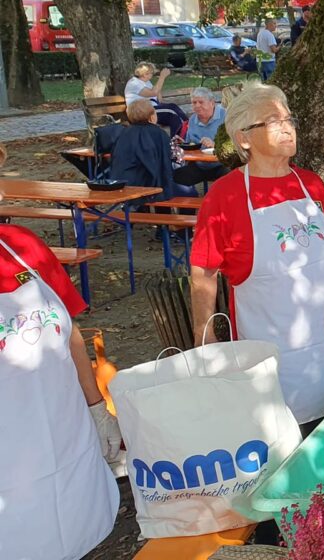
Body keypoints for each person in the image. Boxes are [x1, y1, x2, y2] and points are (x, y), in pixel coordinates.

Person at [190, 82, 324, 429]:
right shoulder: (225, 197)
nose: (286, 126)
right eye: (272, 120)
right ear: (244, 138)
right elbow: (204, 269)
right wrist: (202, 334)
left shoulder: (310, 184)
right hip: (277, 359)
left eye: (288, 118)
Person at [0, 146, 120, 560]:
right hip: (10, 468)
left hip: (67, 439)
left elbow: (71, 335)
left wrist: (96, 408)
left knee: (79, 534)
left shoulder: (22, 245)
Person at [110, 101, 199, 202]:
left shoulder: (122, 134)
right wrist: (175, 146)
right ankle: (183, 217)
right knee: (190, 193)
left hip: (123, 184)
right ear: (152, 117)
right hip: (151, 187)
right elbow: (176, 161)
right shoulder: (159, 134)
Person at [176, 87, 229, 186]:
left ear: (212, 103)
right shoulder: (192, 120)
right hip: (200, 165)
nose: (197, 105)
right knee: (176, 177)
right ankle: (187, 200)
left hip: (223, 165)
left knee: (230, 178)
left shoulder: (226, 116)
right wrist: (182, 143)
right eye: (194, 102)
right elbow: (190, 144)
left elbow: (236, 144)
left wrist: (215, 145)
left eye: (201, 102)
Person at [125, 61, 188, 138]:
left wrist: (157, 93)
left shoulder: (146, 82)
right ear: (145, 74)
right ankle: (187, 128)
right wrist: (162, 77)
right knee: (172, 109)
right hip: (142, 112)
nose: (152, 75)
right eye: (151, 73)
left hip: (151, 108)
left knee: (174, 117)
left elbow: (157, 93)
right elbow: (154, 92)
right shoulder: (134, 83)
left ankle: (178, 140)